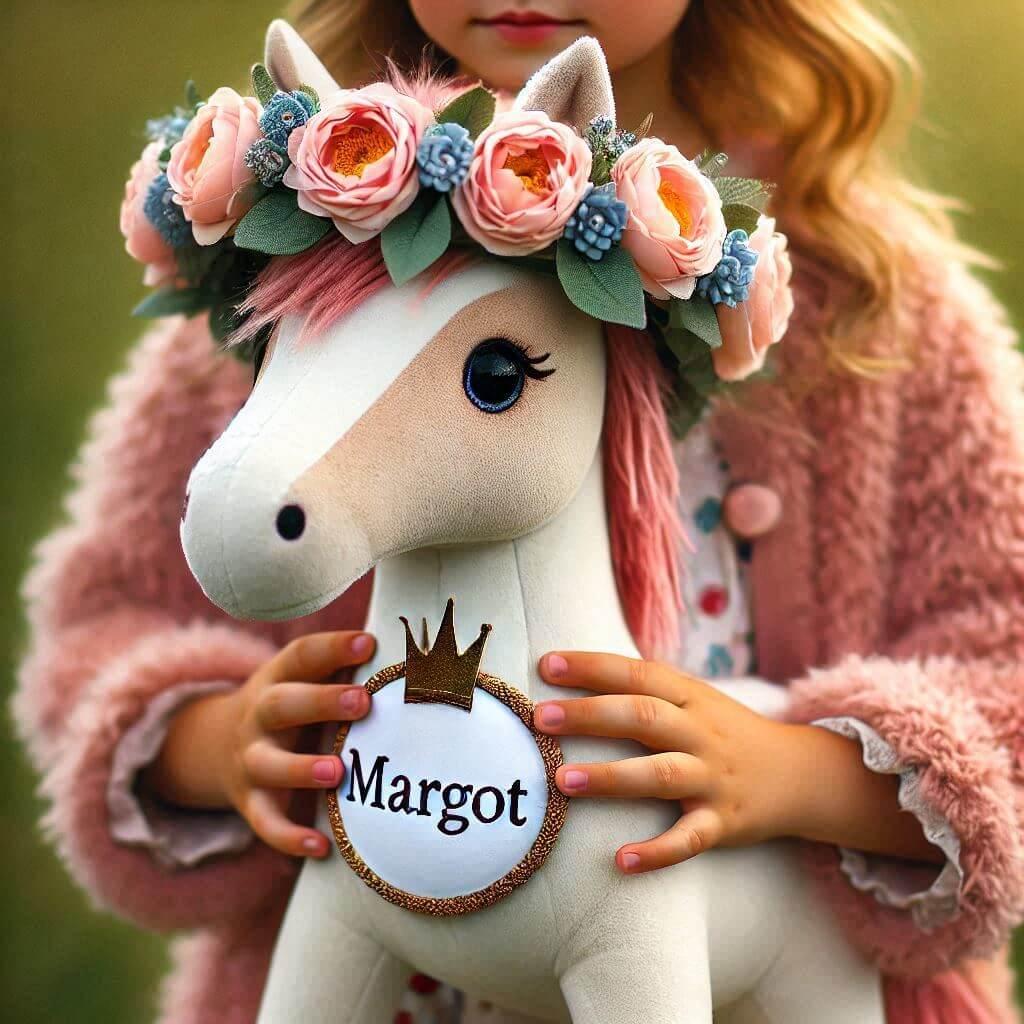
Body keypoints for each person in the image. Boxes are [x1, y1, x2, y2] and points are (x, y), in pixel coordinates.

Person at [13, 2, 1024, 1023]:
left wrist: (804, 775)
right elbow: (109, 616)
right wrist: (217, 741)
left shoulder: (875, 309)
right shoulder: (304, 276)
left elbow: (1005, 651)